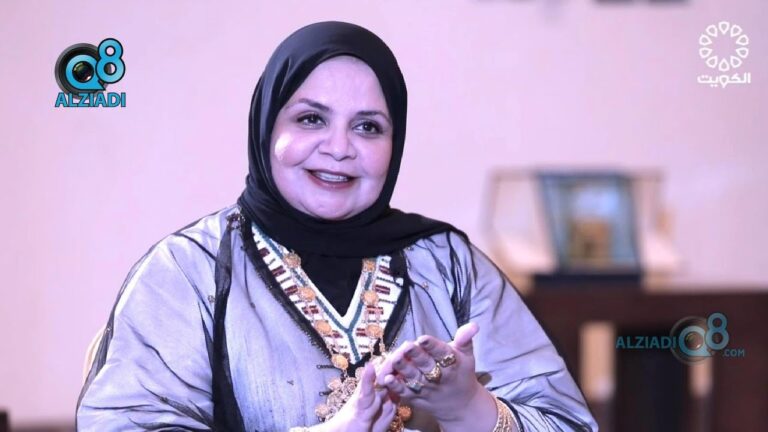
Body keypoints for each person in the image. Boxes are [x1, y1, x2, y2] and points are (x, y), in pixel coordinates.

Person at [76, 21, 597, 432]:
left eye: (368, 126)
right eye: (311, 119)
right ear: (267, 127)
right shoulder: (189, 271)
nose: (340, 148)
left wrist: (469, 407)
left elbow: (568, 423)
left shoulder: (447, 263)